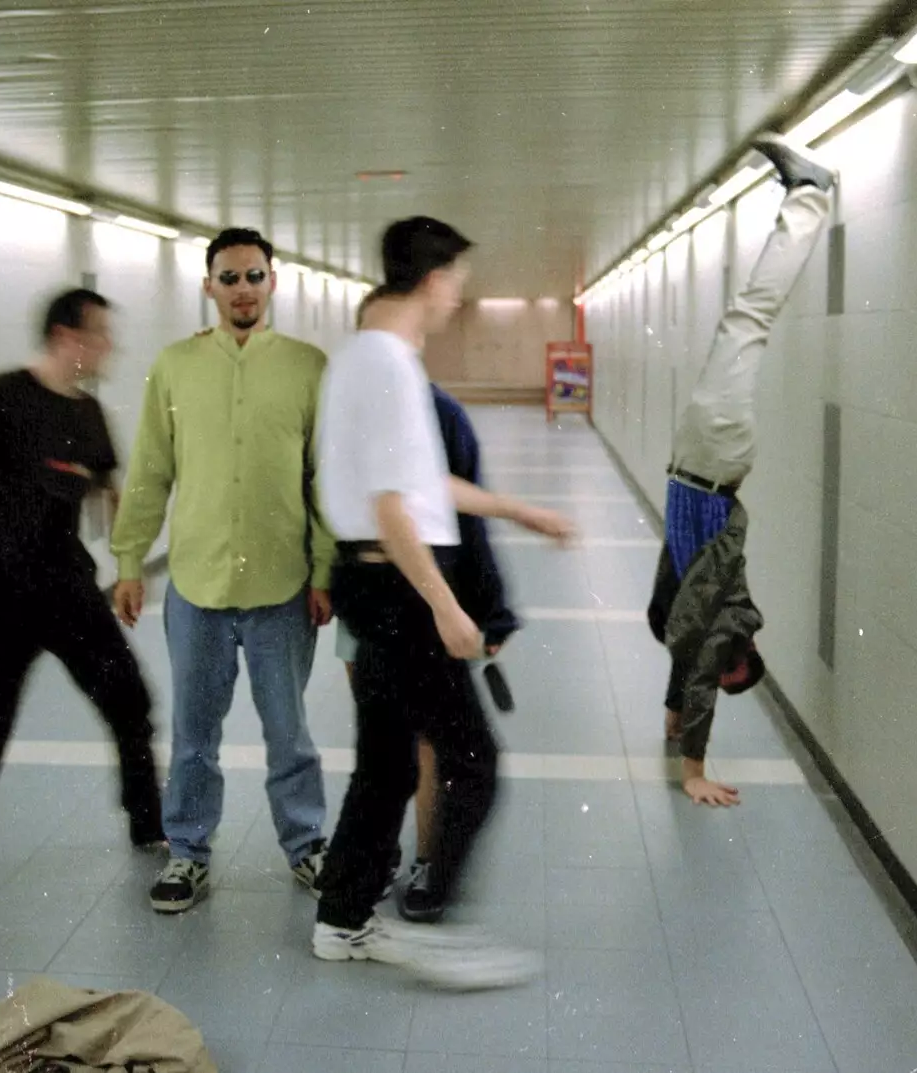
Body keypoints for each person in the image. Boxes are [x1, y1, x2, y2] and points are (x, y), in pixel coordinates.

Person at [312, 216, 574, 989]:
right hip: (399, 587)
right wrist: (447, 608)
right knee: (471, 760)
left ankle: (343, 918)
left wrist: (518, 510)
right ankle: (441, 921)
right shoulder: (390, 368)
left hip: (378, 580)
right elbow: (394, 507)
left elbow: (423, 487)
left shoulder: (365, 358)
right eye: (457, 279)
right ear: (431, 280)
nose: (459, 294)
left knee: (387, 763)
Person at [0, 287, 164, 934]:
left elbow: (110, 493)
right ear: (67, 337)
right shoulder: (1, 396)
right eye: (100, 334)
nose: (109, 347)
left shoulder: (91, 415)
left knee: (129, 700)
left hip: (68, 591)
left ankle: (148, 821)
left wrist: (129, 554)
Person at [110, 228, 333, 914]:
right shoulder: (175, 366)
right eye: (229, 278)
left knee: (288, 731)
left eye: (254, 276)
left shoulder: (307, 366)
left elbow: (322, 477)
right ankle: (187, 852)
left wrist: (325, 568)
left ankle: (307, 843)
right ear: (208, 287)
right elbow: (149, 470)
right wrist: (127, 559)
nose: (242, 289)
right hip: (196, 587)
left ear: (273, 283)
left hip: (282, 586)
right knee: (194, 734)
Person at [648, 132, 838, 809]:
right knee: (748, 318)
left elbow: (683, 660)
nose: (713, 677)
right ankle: (811, 194)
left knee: (742, 325)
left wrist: (674, 722)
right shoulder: (722, 621)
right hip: (712, 457)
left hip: (701, 457)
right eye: (725, 677)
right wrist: (692, 767)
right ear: (737, 659)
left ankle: (806, 197)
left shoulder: (709, 619)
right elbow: (697, 667)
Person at [333, 295, 521, 925]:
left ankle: (417, 865)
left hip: (425, 610)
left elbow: (461, 521)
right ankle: (371, 882)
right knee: (391, 753)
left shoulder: (437, 414)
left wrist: (485, 611)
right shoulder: (352, 408)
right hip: (377, 604)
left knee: (417, 752)